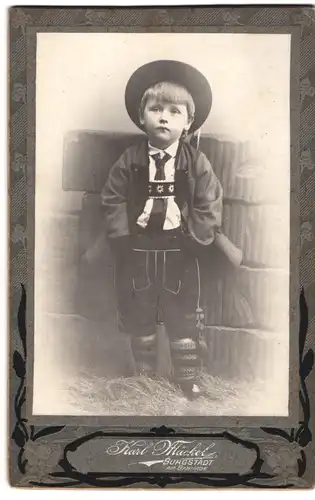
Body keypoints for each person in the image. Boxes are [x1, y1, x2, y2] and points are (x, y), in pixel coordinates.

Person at [101, 60, 223, 399]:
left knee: (182, 314)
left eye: (174, 111)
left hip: (180, 249)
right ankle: (144, 375)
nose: (164, 117)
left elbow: (209, 202)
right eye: (156, 109)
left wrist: (198, 240)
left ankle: (188, 378)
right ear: (143, 118)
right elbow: (111, 197)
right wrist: (121, 236)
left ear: (188, 123)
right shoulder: (130, 159)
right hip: (137, 248)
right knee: (139, 311)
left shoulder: (195, 162)